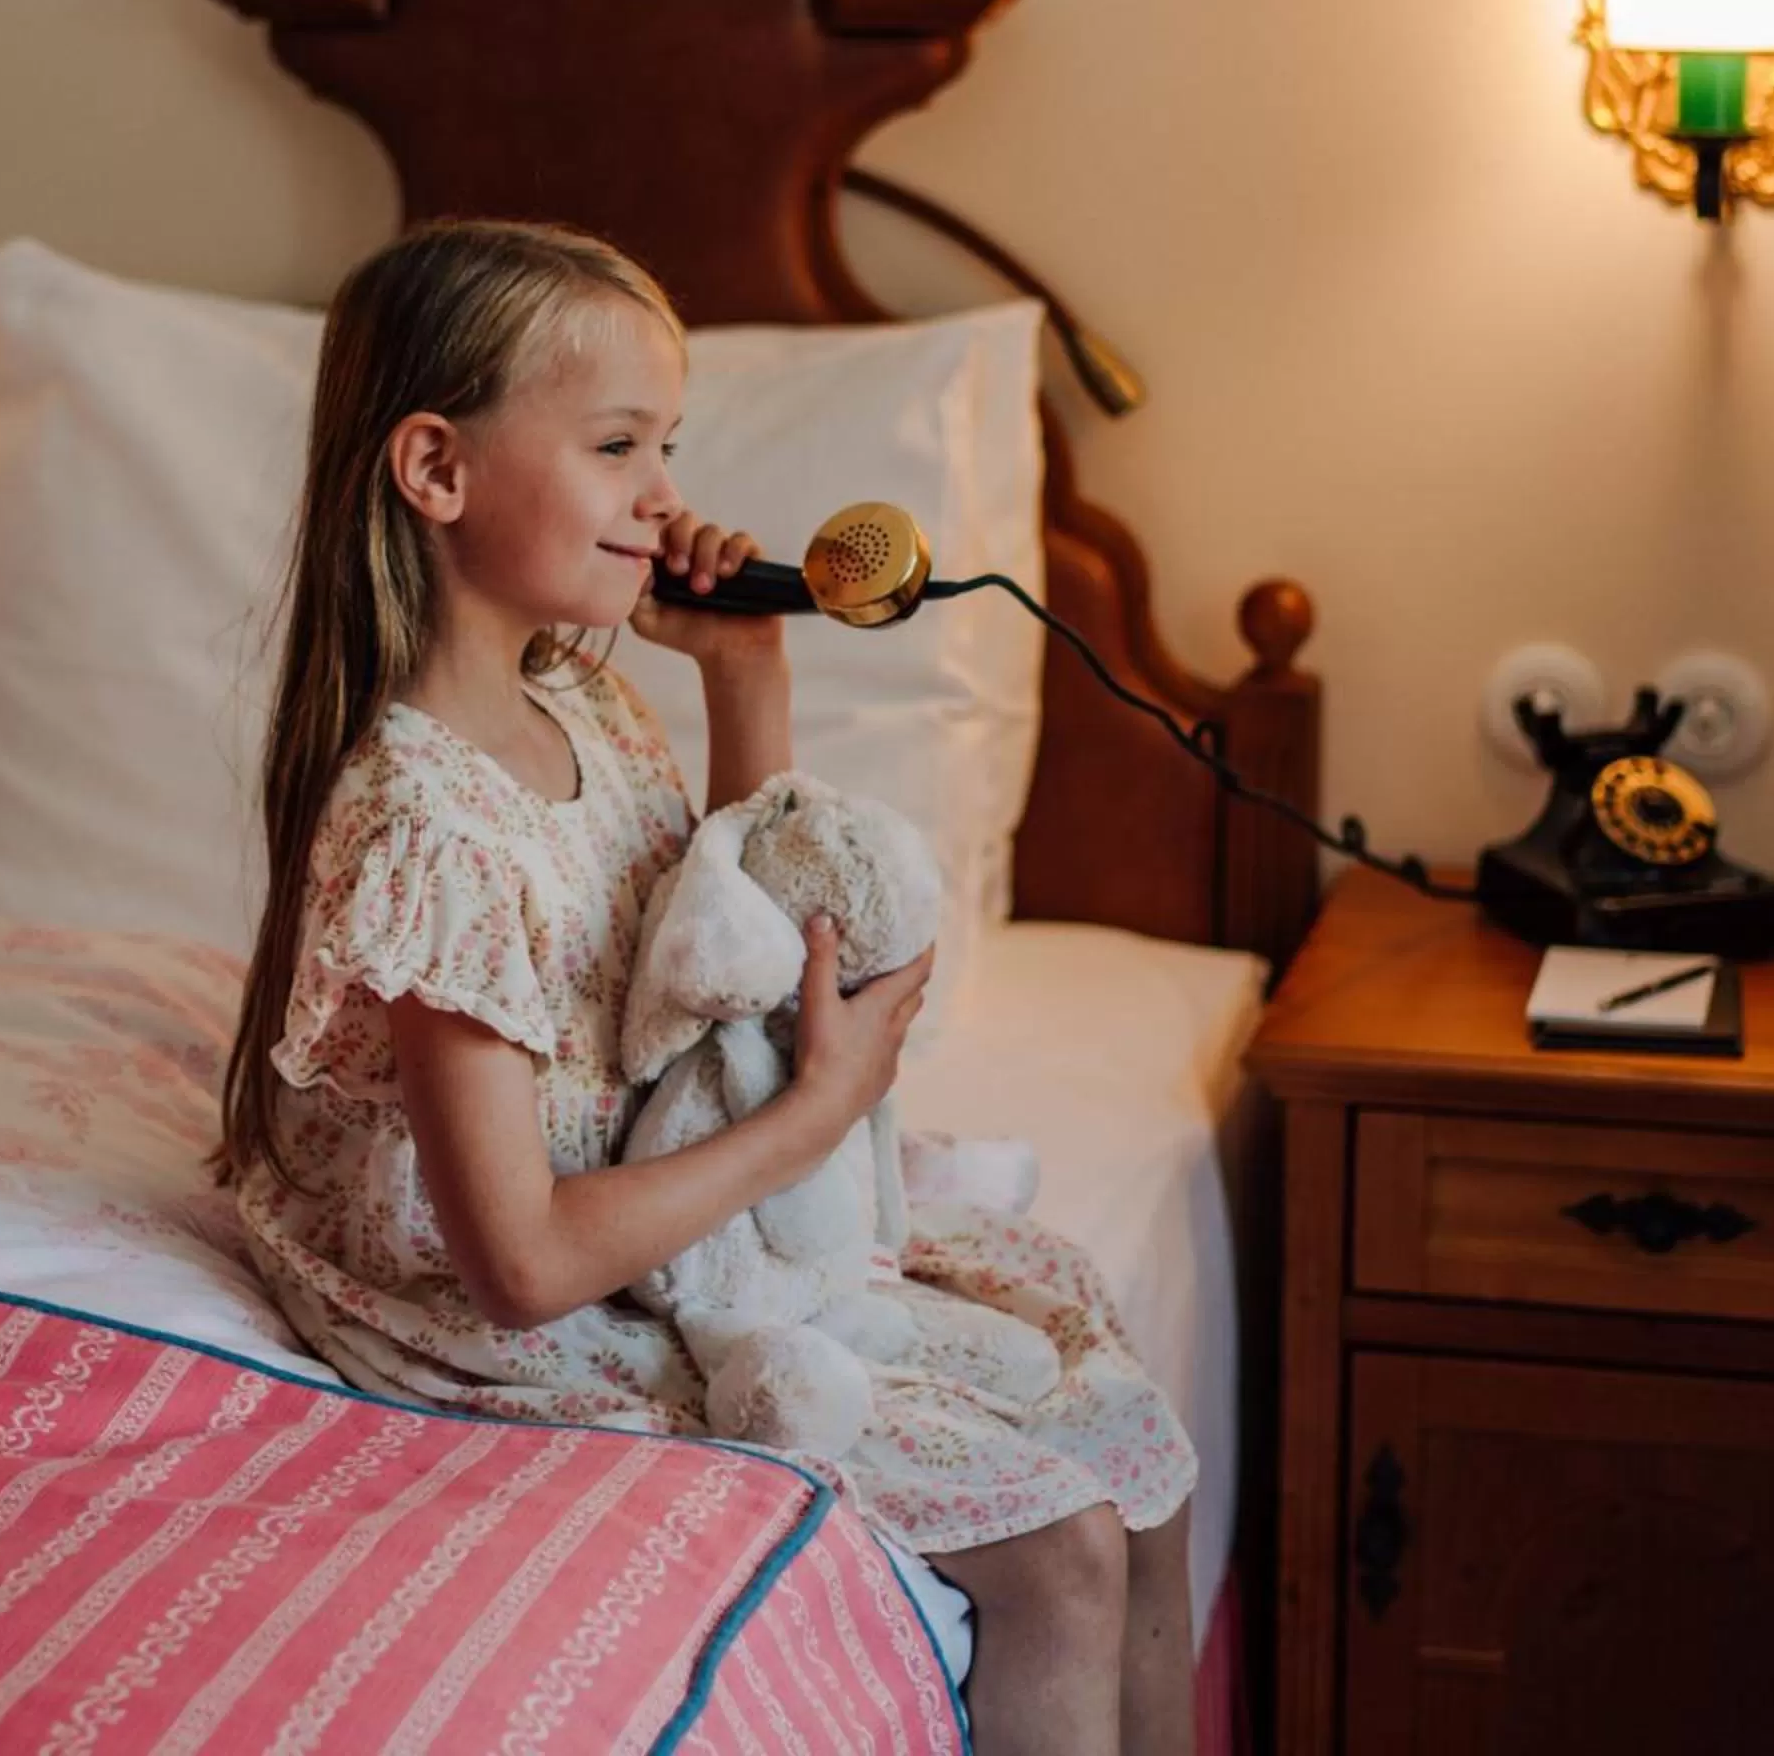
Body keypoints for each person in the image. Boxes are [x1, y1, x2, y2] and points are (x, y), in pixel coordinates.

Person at [222, 218, 1197, 1754]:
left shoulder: (582, 703)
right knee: (1062, 1544)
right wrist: (813, 1122)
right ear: (437, 470)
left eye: (666, 445)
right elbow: (523, 1267)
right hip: (515, 1299)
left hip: (658, 1204)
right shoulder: (427, 825)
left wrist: (744, 675)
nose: (666, 499)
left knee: (1131, 1434)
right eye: (618, 447)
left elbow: (714, 943)